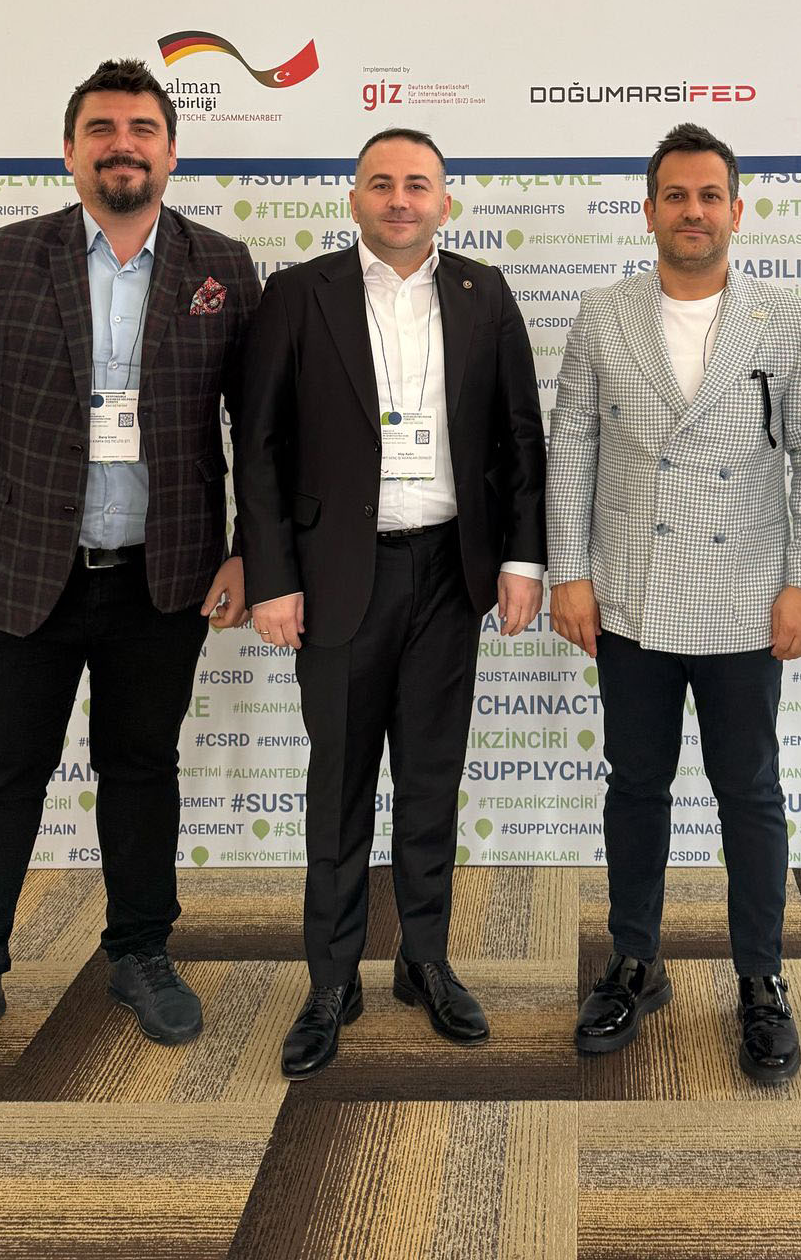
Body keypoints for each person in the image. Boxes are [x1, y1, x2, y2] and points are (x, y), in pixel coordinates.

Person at [0, 58, 260, 1090]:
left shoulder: (223, 265)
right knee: (1, 776)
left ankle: (140, 952)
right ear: (69, 151)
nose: (122, 145)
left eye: (142, 128)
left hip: (165, 577)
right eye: (101, 128)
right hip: (18, 572)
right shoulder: (3, 259)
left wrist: (251, 549)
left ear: (171, 152)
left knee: (141, 769)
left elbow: (259, 427)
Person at [235, 128, 546, 1076]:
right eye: (381, 183)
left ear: (445, 202)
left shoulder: (484, 293)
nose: (400, 199)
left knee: (430, 777)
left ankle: (424, 959)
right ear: (355, 199)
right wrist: (271, 575)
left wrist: (522, 561)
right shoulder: (299, 294)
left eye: (418, 185)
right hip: (337, 577)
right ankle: (332, 979)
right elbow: (259, 445)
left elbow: (518, 438)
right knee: (338, 787)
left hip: (449, 575)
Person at [547, 122, 801, 1082]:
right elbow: (572, 448)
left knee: (749, 791)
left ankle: (762, 977)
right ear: (649, 210)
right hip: (630, 594)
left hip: (747, 597)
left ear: (736, 211)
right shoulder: (603, 315)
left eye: (710, 195)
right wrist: (568, 571)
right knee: (636, 785)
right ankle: (635, 961)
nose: (692, 211)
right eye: (675, 195)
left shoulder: (786, 321)